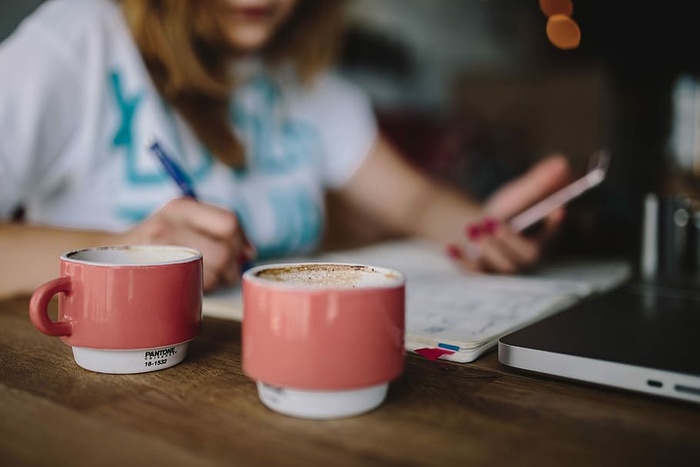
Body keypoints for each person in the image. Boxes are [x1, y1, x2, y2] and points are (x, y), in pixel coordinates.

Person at [0, 0, 571, 298]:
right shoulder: (79, 41)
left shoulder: (309, 86)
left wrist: (488, 228)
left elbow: (418, 205)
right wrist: (127, 252)